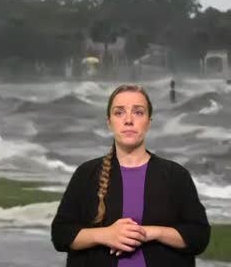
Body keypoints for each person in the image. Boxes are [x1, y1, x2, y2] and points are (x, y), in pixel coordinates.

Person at [51, 83, 210, 266]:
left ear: (149, 121)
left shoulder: (176, 175)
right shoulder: (86, 174)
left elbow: (199, 236)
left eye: (138, 112)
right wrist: (106, 235)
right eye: (119, 112)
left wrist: (149, 232)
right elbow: (61, 235)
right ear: (109, 122)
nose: (128, 120)